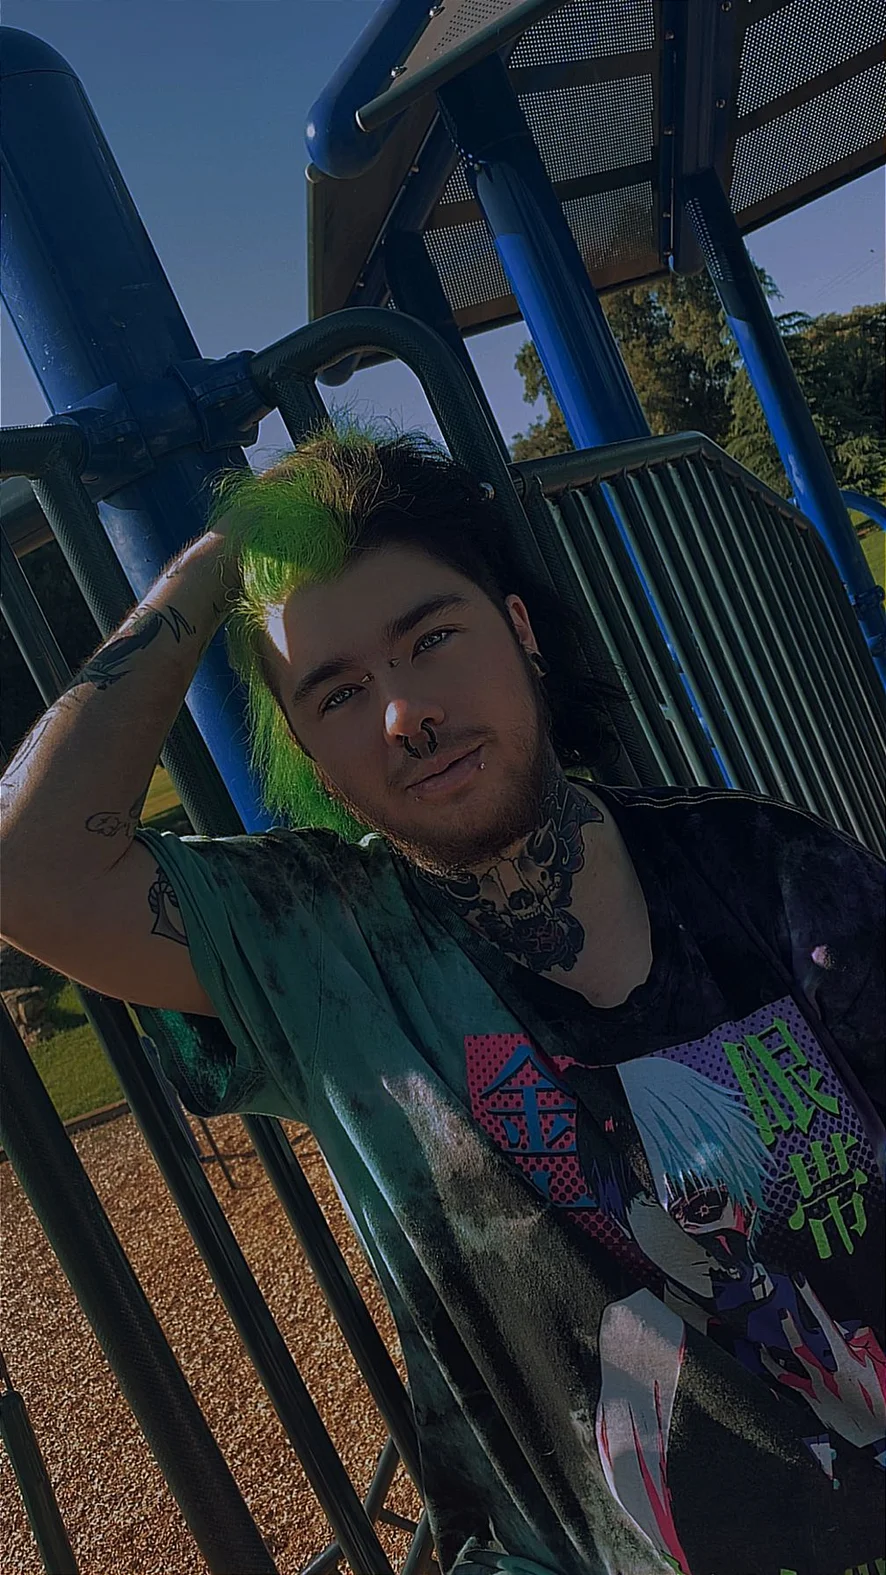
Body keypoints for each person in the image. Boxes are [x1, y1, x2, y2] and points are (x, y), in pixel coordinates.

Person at [1, 425, 883, 1575]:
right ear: (311, 754)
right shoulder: (322, 948)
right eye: (338, 692)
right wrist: (229, 551)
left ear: (520, 630)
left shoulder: (767, 866)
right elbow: (29, 869)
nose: (403, 715)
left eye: (430, 640)